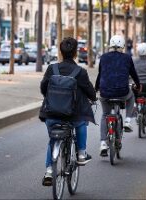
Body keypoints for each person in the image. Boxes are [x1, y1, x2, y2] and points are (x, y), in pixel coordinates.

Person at [39, 37, 97, 186]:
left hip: (51, 114)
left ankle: (49, 171)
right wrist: (92, 98)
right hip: (73, 116)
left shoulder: (52, 69)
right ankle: (82, 153)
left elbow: (43, 88)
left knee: (53, 139)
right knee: (82, 122)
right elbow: (91, 93)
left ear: (60, 51)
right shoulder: (80, 72)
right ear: (75, 53)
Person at [95, 35, 141, 156]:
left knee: (105, 114)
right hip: (122, 92)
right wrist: (138, 85)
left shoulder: (104, 57)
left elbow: (100, 75)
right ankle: (127, 121)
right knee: (131, 96)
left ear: (110, 45)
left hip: (105, 93)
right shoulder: (127, 57)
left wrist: (96, 89)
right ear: (123, 46)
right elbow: (133, 73)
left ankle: (103, 143)